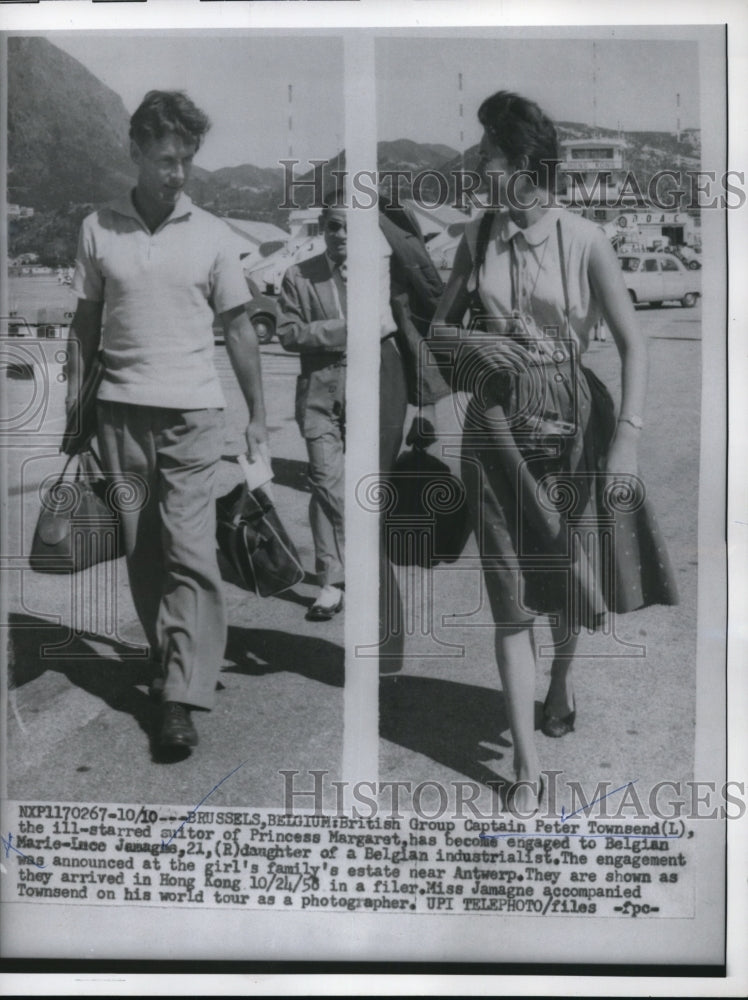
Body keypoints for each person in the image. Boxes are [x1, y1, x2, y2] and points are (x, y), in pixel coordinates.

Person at [429, 91, 678, 814]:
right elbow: (438, 333)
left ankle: (561, 678)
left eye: (489, 157)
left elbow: (636, 343)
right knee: (511, 602)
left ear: (526, 166)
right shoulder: (475, 239)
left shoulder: (587, 240)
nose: (478, 167)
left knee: (566, 580)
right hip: (497, 434)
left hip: (576, 426)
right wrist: (478, 345)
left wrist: (628, 437)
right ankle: (528, 770)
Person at [66, 90, 267, 754]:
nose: (176, 173)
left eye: (185, 160)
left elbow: (239, 330)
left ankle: (181, 696)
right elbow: (86, 323)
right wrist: (77, 409)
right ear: (135, 152)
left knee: (191, 551)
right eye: (164, 159)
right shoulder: (98, 227)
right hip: (120, 412)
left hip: (192, 414)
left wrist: (257, 418)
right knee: (145, 554)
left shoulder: (213, 233)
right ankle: (164, 656)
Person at [276, 195, 348, 621]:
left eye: (350, 226)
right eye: (334, 226)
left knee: (359, 483)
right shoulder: (298, 276)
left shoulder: (379, 275)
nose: (341, 235)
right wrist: (341, 330)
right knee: (325, 481)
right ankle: (330, 581)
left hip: (369, 389)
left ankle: (348, 570)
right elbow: (287, 333)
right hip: (320, 394)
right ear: (323, 228)